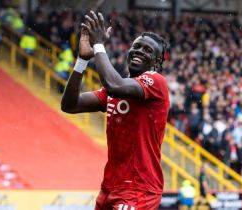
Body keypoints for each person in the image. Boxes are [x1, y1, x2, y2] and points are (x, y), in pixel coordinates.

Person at [61, 11, 169, 210]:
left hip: (139, 189)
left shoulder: (156, 82)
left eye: (147, 50)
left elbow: (114, 84)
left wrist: (99, 44)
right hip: (110, 188)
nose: (139, 51)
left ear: (156, 62)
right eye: (136, 47)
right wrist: (83, 60)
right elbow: (70, 105)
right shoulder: (114, 90)